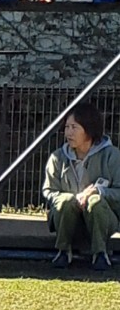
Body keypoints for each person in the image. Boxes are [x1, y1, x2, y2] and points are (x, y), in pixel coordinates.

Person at [42, 100, 120, 272]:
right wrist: (71, 199)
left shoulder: (112, 155)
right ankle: (63, 251)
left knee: (95, 201)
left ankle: (100, 253)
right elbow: (49, 190)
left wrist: (98, 191)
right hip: (66, 218)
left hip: (103, 220)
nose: (68, 133)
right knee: (66, 200)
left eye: (74, 127)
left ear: (89, 129)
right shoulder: (57, 157)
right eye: (67, 127)